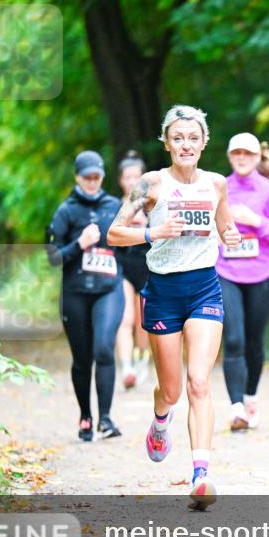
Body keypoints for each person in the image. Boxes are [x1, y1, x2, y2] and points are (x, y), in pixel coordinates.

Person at [107, 105, 242, 511]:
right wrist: (152, 231)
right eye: (178, 138)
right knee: (171, 389)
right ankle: (161, 420)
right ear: (167, 143)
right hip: (163, 291)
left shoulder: (217, 184)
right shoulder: (150, 184)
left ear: (204, 142)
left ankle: (201, 474)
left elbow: (225, 228)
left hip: (204, 288)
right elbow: (115, 234)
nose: (186, 144)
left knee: (199, 382)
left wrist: (231, 236)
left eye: (193, 138)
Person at [216, 132, 269, 431]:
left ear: (258, 157)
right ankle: (236, 407)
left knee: (254, 342)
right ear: (229, 156)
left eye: (247, 153)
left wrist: (255, 221)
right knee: (233, 338)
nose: (242, 157)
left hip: (262, 274)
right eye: (236, 152)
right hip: (227, 273)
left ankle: (250, 397)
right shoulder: (219, 188)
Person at [46, 150, 126, 442]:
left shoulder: (115, 206)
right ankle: (86, 417)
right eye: (87, 177)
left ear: (103, 177)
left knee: (104, 348)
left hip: (109, 290)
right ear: (78, 177)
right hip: (75, 293)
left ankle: (105, 418)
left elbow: (130, 251)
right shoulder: (66, 211)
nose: (93, 182)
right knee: (82, 359)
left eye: (97, 177)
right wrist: (79, 243)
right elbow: (53, 258)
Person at [114, 150, 152, 389]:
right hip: (122, 267)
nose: (131, 181)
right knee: (125, 318)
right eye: (127, 177)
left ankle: (141, 361)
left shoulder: (153, 206)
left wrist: (147, 225)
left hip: (148, 267)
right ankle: (126, 367)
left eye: (136, 177)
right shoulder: (113, 206)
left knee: (143, 322)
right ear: (120, 180)